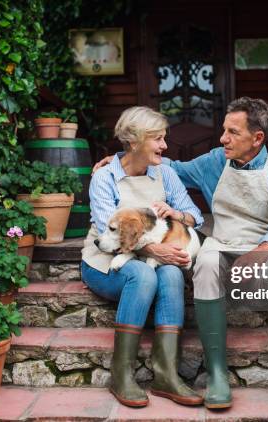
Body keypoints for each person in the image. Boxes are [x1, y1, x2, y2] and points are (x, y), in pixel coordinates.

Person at [94, 97, 268, 413]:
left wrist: (259, 254)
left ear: (257, 138)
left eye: (232, 132)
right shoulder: (215, 161)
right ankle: (217, 374)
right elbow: (170, 166)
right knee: (204, 262)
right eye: (223, 130)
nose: (223, 139)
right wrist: (121, 156)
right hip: (222, 244)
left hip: (264, 247)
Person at [81, 106, 204, 408]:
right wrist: (153, 249)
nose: (164, 146)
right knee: (144, 273)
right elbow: (104, 232)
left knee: (173, 272)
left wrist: (176, 213)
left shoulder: (165, 173)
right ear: (134, 141)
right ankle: (121, 374)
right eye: (157, 139)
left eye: (164, 138)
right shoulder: (105, 177)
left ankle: (166, 375)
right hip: (104, 262)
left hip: (151, 257)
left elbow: (196, 217)